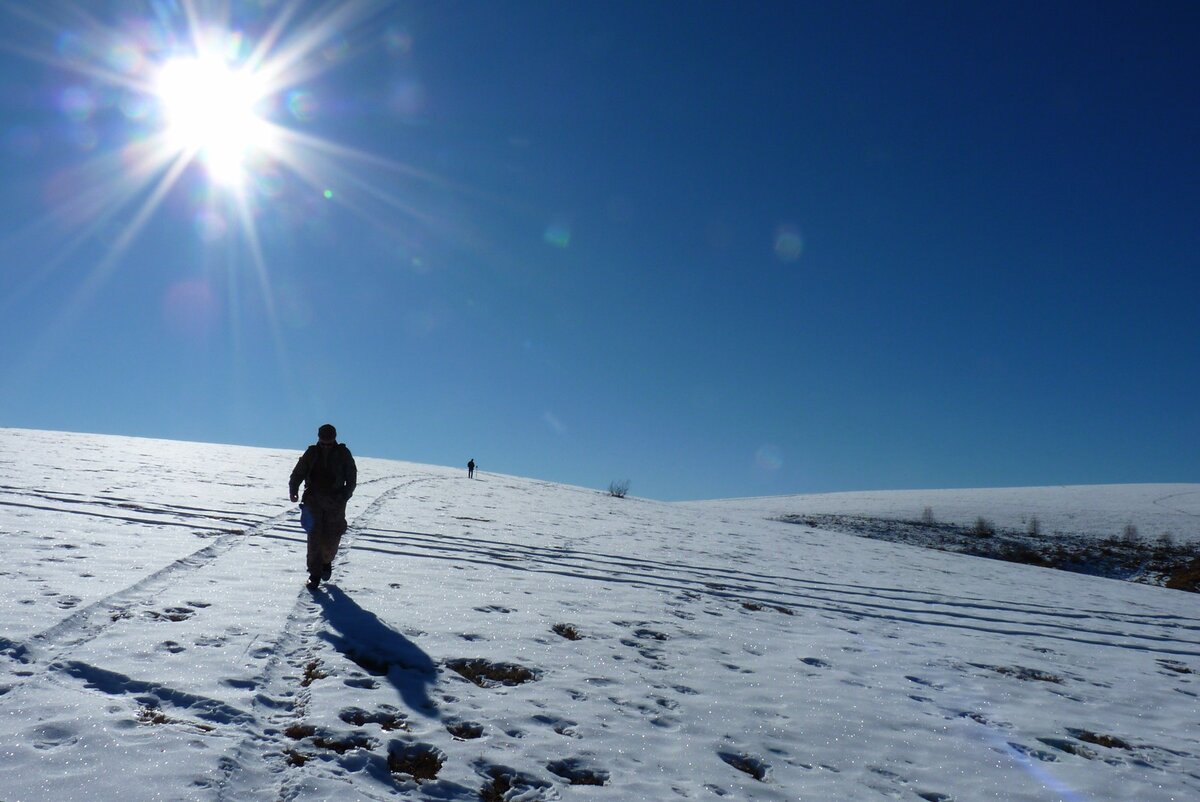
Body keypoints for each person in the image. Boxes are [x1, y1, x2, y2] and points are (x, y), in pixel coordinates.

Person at [289, 423, 357, 589]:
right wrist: (294, 489)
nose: (326, 444)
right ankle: (314, 575)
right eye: (323, 441)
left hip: (335, 503)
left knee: (332, 537)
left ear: (334, 438)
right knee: (314, 537)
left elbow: (352, 477)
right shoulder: (312, 453)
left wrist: (344, 497)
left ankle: (327, 562)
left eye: (329, 442)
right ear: (318, 438)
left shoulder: (343, 454)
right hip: (313, 501)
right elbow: (298, 472)